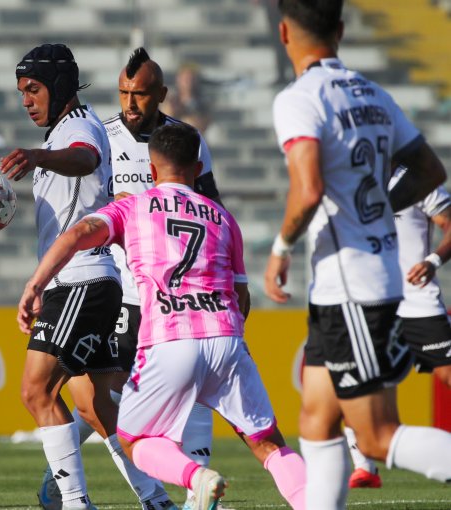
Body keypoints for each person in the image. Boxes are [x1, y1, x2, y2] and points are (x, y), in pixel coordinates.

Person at [20, 123, 307, 510]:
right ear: (198, 166)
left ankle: (195, 477)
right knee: (270, 445)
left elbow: (76, 234)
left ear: (152, 172)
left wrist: (36, 284)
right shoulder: (223, 218)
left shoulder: (134, 207)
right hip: (226, 338)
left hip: (169, 340)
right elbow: (242, 297)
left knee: (134, 439)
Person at [264, 1, 451, 507]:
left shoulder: (299, 98)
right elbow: (432, 172)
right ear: (341, 30)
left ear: (283, 31)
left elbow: (307, 191)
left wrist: (280, 248)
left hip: (352, 285)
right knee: (317, 420)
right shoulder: (374, 94)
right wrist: (379, 206)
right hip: (358, 283)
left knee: (375, 436)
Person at [38, 47, 220, 510]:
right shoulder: (105, 135)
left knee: (172, 387)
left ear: (161, 94)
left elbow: (213, 208)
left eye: (140, 95)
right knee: (103, 394)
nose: (130, 104)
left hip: (175, 290)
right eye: (123, 93)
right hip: (119, 286)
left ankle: (180, 486)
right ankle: (125, 486)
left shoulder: (185, 142)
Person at [0, 43, 174, 510]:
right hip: (81, 283)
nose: (26, 100)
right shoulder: (64, 131)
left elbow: (86, 158)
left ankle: (75, 503)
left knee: (36, 390)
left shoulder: (76, 128)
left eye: (33, 89)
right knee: (94, 408)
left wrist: (37, 158)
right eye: (21, 92)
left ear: (58, 88)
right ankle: (157, 500)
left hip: (82, 280)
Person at [345, 165, 451, 489]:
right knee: (355, 382)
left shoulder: (419, 179)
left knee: (447, 373)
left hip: (418, 300)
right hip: (372, 303)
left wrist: (432, 261)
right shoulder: (351, 179)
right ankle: (364, 467)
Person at [161, 64, 210, 134]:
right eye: (185, 78)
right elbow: (166, 119)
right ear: (178, 79)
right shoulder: (171, 99)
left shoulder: (203, 103)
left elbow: (201, 125)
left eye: (191, 79)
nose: (188, 82)